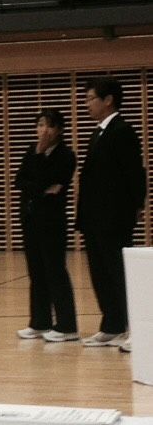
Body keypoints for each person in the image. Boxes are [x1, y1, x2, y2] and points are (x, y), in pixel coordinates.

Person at [77, 77, 146, 351]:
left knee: (118, 273)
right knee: (100, 273)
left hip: (114, 217)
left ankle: (134, 328)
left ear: (108, 100)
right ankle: (112, 325)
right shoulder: (98, 132)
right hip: (94, 217)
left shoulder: (122, 131)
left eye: (90, 98)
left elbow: (135, 173)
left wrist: (136, 205)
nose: (87, 104)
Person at [14, 109, 79, 342]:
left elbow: (52, 182)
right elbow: (20, 181)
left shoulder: (66, 155)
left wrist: (40, 160)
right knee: (36, 272)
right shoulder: (31, 151)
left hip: (52, 221)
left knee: (55, 271)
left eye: (49, 125)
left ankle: (67, 325)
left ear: (59, 129)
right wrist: (40, 187)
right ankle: (40, 322)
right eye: (40, 125)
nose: (44, 130)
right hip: (30, 219)